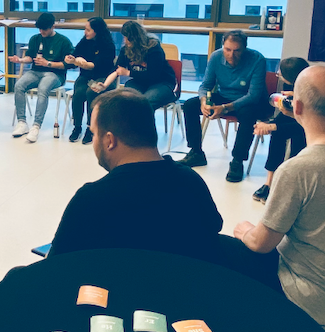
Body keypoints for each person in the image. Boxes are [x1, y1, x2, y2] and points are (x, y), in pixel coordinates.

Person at [223, 66, 325, 326]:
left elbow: (261, 244)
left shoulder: (297, 169)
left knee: (227, 249)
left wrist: (245, 232)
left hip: (315, 299)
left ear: (295, 107)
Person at [49, 88, 224, 262]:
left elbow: (55, 265)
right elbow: (213, 233)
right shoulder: (191, 182)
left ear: (110, 140)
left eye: (94, 134)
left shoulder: (91, 200)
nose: (93, 141)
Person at [250, 57, 325, 204]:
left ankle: (294, 187)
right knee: (279, 133)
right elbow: (292, 119)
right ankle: (270, 183)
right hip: (312, 128)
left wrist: (273, 126)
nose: (277, 74)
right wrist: (270, 125)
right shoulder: (295, 93)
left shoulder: (314, 95)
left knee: (297, 135)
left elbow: (314, 124)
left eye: (280, 72)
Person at [179, 30, 268, 183]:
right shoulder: (216, 57)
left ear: (244, 48)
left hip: (249, 100)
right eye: (227, 50)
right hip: (225, 95)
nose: (231, 55)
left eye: (236, 51)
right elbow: (205, 85)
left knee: (248, 115)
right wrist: (203, 101)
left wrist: (225, 108)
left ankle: (237, 161)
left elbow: (253, 96)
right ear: (223, 47)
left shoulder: (257, 59)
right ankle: (196, 152)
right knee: (189, 105)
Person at [10, 12, 74, 142]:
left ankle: (36, 126)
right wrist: (21, 60)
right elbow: (30, 57)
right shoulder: (35, 39)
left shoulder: (63, 41)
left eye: (44, 29)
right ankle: (22, 122)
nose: (42, 32)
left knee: (43, 88)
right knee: (19, 85)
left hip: (55, 74)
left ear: (52, 26)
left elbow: (69, 64)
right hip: (35, 72)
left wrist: (48, 63)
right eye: (40, 29)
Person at [64, 17, 118, 145]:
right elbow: (75, 53)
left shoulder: (108, 45)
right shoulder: (85, 41)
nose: (85, 32)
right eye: (85, 29)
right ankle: (77, 126)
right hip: (86, 76)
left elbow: (98, 65)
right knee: (78, 93)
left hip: (103, 77)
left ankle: (90, 127)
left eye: (88, 30)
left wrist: (83, 63)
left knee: (91, 93)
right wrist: (71, 58)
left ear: (97, 31)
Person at [104, 20, 176, 111]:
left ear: (135, 38)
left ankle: (145, 125)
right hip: (140, 82)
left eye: (127, 38)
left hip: (162, 82)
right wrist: (104, 84)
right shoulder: (126, 49)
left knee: (146, 102)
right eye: (124, 37)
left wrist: (129, 73)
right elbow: (117, 69)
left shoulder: (153, 49)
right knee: (127, 99)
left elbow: (153, 75)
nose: (125, 40)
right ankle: (128, 125)